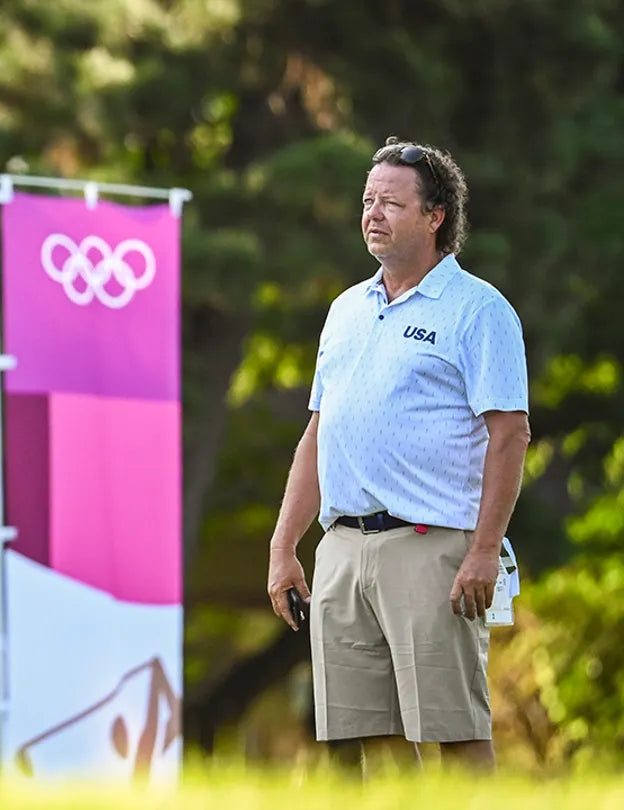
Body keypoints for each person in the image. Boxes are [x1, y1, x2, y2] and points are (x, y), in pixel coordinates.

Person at [264, 137, 530, 775]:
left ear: (436, 217)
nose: (372, 214)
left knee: (455, 729)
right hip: (343, 547)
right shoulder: (345, 311)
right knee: (371, 740)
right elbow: (317, 436)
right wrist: (283, 547)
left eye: (391, 203)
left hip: (434, 546)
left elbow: (511, 434)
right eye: (367, 201)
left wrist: (484, 550)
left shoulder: (478, 310)